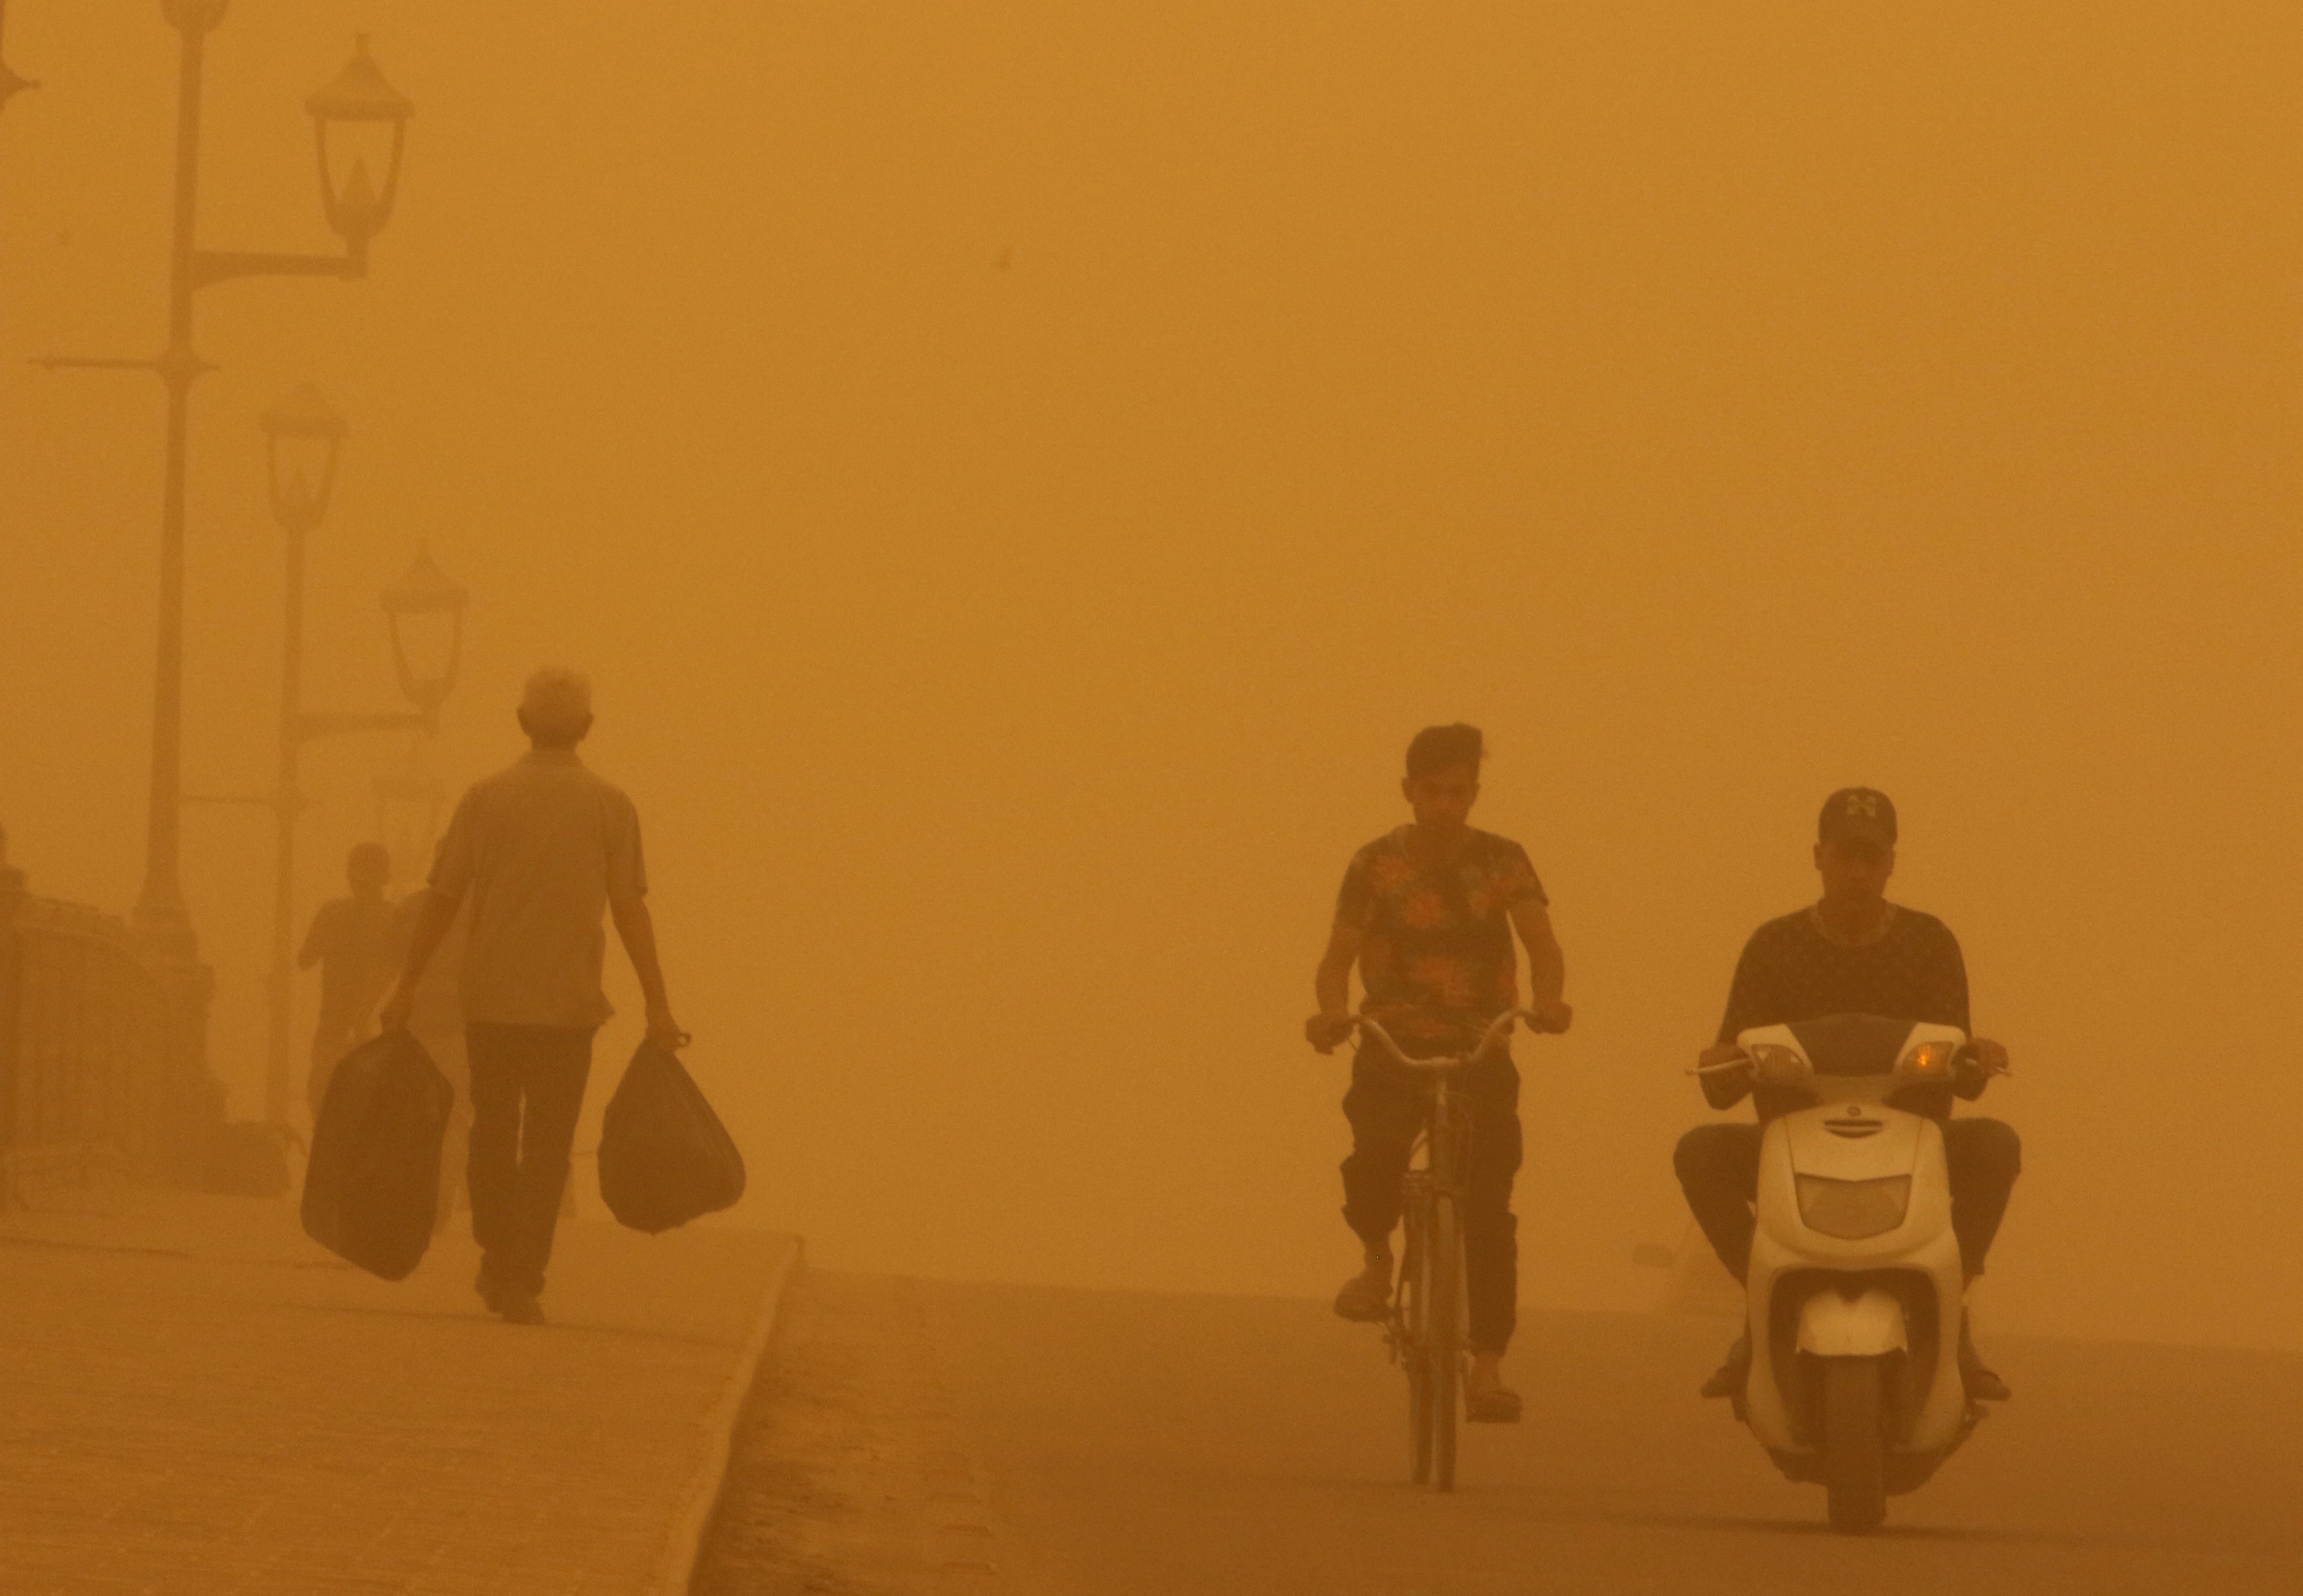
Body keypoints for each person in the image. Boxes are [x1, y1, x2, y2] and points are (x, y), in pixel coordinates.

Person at [1674, 788, 2021, 1402]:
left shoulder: (1930, 943)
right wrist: (1720, 1059)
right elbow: (1723, 1087)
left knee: (1996, 1144)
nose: (1857, 873)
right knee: (1699, 1153)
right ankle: (1760, 1308)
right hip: (1793, 1151)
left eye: (1871, 859)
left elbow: (1962, 1075)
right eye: (1845, 857)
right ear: (1819, 857)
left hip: (1914, 1152)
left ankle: (1952, 1307)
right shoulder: (1773, 945)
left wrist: (1980, 1055)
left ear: (1891, 864)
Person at [379, 667, 683, 1326]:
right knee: (549, 1144)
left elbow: (443, 896)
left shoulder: (485, 799)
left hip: (490, 998)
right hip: (570, 1006)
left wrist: (406, 982)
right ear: (588, 729)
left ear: (522, 723)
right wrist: (657, 1002)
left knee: (493, 1128)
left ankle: (498, 1253)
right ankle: (521, 1273)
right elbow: (630, 908)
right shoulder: (612, 805)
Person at [1304, 724, 1573, 1424]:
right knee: (1377, 1153)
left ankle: (1487, 1366)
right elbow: (1338, 958)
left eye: (1461, 792)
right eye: (1435, 792)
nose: (1448, 806)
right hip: (1393, 1045)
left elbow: (1542, 943)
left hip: (1482, 1048)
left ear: (1475, 794)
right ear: (1409, 792)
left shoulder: (1504, 861)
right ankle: (1374, 1259)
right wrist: (1333, 1015)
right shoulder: (1374, 865)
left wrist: (1548, 1002)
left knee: (1489, 1204)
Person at [299, 842, 403, 1119]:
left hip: (369, 1025)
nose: (361, 883)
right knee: (328, 1097)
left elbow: (397, 971)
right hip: (344, 1024)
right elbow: (305, 958)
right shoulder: (340, 914)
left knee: (363, 1103)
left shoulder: (388, 917)